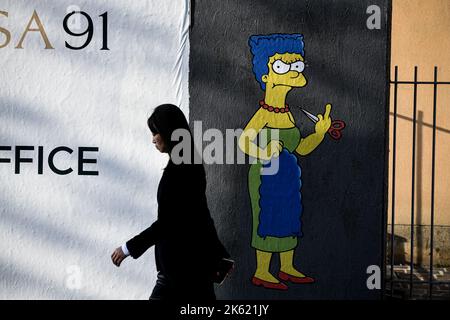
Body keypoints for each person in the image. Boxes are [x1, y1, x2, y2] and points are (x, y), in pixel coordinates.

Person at [238, 34, 332, 290]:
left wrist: (320, 134)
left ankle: (287, 267)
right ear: (266, 76)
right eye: (282, 65)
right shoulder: (263, 114)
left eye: (297, 64)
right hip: (264, 176)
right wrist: (264, 150)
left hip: (289, 176)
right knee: (266, 218)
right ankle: (262, 271)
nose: (292, 70)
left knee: (289, 217)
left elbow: (300, 147)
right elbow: (244, 142)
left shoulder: (289, 115)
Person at [111, 104, 230, 300]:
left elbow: (169, 222)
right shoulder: (187, 163)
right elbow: (200, 213)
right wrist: (218, 252)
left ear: (169, 132)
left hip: (181, 272)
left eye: (155, 132)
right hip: (187, 271)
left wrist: (128, 248)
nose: (153, 139)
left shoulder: (182, 168)